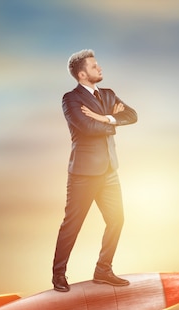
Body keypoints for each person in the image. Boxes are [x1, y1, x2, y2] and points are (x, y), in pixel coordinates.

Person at [52, 49, 138, 292]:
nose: (99, 68)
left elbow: (132, 116)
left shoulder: (108, 94)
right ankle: (59, 275)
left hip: (110, 171)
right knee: (72, 224)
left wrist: (105, 119)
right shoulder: (71, 99)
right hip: (83, 174)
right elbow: (87, 128)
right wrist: (111, 119)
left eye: (98, 65)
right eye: (93, 66)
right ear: (81, 74)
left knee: (116, 219)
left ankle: (103, 270)